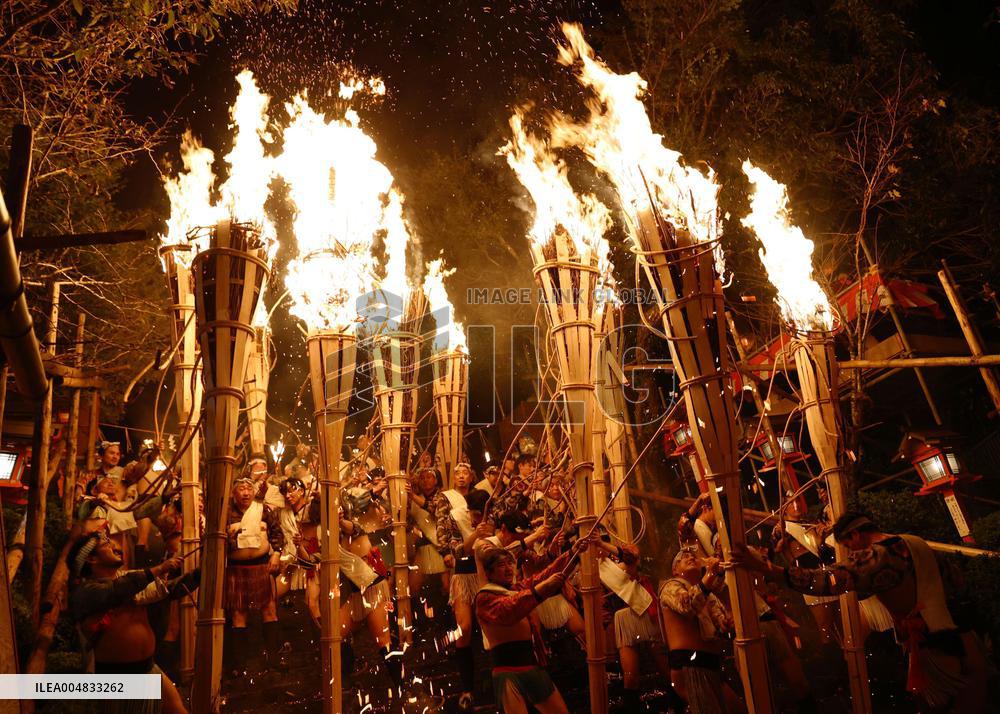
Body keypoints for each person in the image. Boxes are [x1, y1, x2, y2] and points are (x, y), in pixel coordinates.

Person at [730, 511, 989, 712]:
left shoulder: (878, 556)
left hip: (932, 645)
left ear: (854, 535)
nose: (853, 552)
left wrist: (767, 569)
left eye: (849, 546)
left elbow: (826, 581)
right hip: (963, 636)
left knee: (941, 706)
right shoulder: (915, 542)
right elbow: (955, 580)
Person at [67, 530, 195, 714]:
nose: (115, 547)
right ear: (92, 559)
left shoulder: (130, 581)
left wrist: (202, 573)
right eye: (106, 545)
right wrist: (158, 569)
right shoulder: (86, 592)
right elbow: (116, 592)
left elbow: (169, 589)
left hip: (148, 668)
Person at [475, 545, 578, 714]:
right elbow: (510, 609)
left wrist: (573, 552)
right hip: (506, 670)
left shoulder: (517, 589)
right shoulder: (484, 598)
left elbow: (545, 575)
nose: (508, 568)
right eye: (501, 565)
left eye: (510, 563)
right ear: (489, 573)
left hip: (531, 664)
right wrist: (542, 588)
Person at [659, 547, 745, 714]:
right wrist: (710, 575)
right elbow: (688, 606)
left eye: (693, 556)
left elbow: (722, 628)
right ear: (675, 570)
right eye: (684, 557)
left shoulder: (708, 595)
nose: (690, 557)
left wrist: (727, 625)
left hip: (710, 665)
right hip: (690, 665)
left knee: (737, 710)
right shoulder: (670, 586)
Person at [434, 464, 490, 710]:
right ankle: (467, 688)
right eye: (457, 471)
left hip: (488, 574)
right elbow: (457, 549)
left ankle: (497, 680)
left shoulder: (489, 510)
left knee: (492, 626)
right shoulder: (454, 513)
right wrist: (474, 535)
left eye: (466, 471)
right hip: (464, 573)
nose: (461, 475)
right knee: (465, 628)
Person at [224, 475, 286, 674]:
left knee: (269, 610)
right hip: (236, 568)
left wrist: (276, 554)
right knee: (238, 614)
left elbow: (277, 533)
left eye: (248, 489)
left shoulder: (263, 509)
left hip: (262, 566)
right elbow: (218, 542)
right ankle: (240, 664)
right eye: (241, 489)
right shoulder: (226, 513)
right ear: (234, 493)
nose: (245, 492)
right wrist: (230, 536)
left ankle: (274, 659)